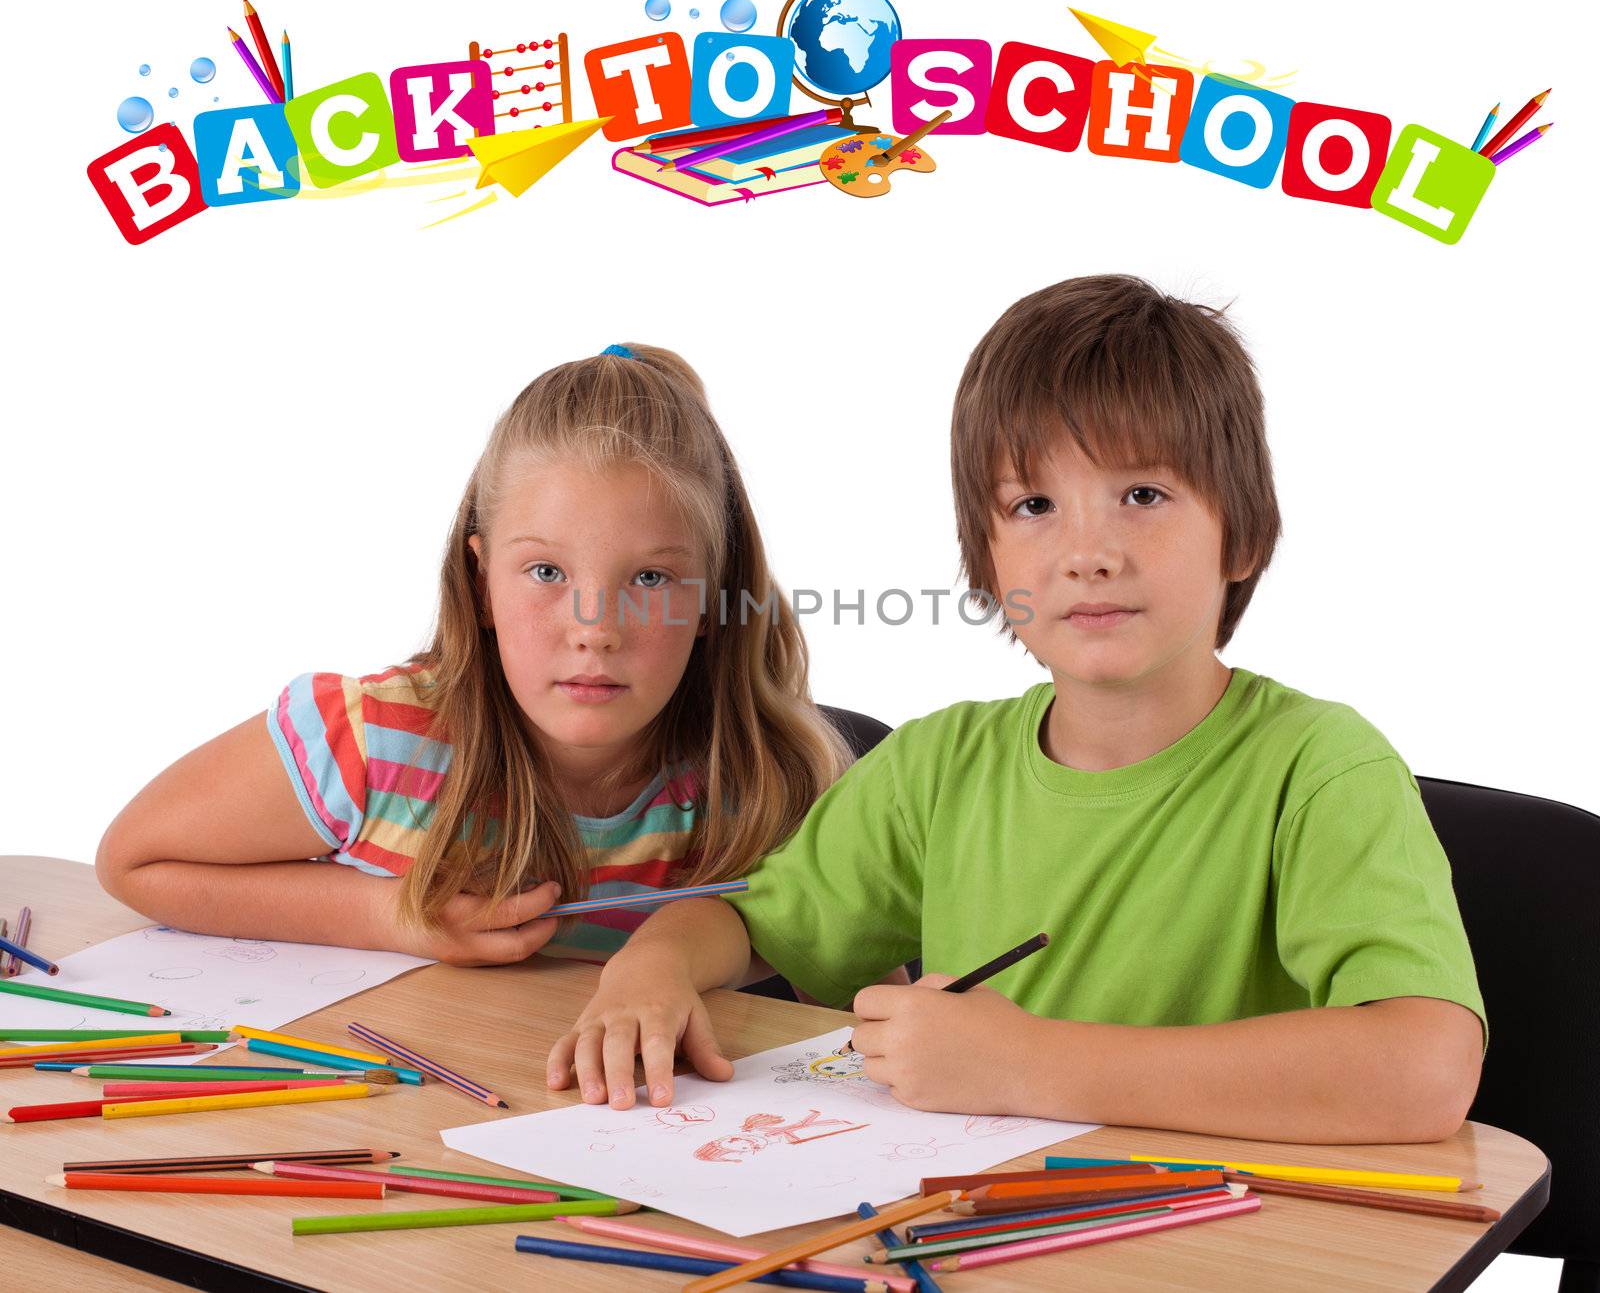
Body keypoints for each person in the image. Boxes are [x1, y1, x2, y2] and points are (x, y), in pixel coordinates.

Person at [550, 279, 1486, 1142]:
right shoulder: (939, 765)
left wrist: (1028, 1063)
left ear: (1240, 531)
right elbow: (757, 922)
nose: (1089, 552)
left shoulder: (1320, 770)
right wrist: (653, 966)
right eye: (1034, 503)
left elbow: (1427, 1069)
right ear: (986, 557)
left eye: (1143, 494)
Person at [96, 344, 850, 968]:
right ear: (482, 582)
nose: (595, 629)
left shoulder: (763, 779)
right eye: (547, 573)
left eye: (649, 578)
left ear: (712, 600)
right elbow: (134, 861)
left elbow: (850, 968)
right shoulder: (373, 740)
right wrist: (393, 916)